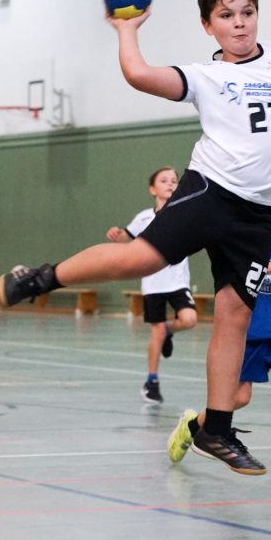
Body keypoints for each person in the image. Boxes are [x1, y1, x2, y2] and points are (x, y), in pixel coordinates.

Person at [0, 0, 271, 475]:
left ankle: (215, 429)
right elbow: (138, 74)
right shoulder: (205, 76)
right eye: (226, 16)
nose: (239, 23)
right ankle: (38, 279)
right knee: (139, 259)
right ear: (208, 26)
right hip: (209, 193)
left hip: (257, 213)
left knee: (234, 315)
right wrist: (126, 29)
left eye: (246, 13)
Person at [166, 223, 271, 475]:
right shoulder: (233, 225)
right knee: (241, 397)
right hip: (250, 322)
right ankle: (192, 427)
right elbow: (246, 266)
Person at [106, 167, 197, 405]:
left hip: (178, 281)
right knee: (156, 331)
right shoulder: (144, 218)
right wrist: (116, 234)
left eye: (174, 181)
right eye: (164, 181)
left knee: (189, 319)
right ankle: (152, 382)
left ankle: (169, 330)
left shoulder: (184, 213)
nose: (170, 184)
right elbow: (126, 237)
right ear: (152, 189)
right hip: (153, 283)